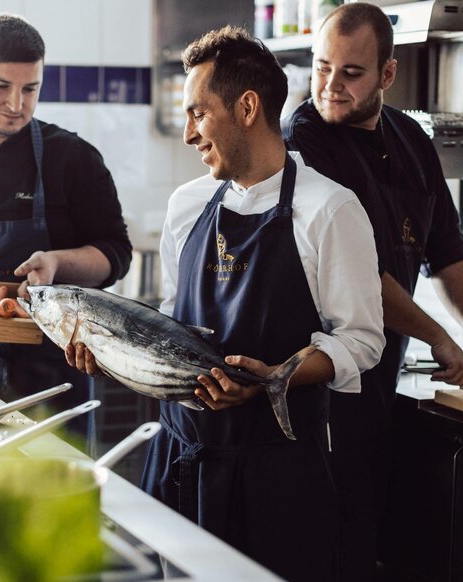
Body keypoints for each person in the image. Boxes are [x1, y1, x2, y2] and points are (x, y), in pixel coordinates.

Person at [69, 25, 385, 581]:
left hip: (278, 477)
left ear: (246, 107)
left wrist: (273, 376)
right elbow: (171, 321)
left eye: (199, 113)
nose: (190, 133)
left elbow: (362, 341)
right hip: (180, 461)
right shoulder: (187, 204)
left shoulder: (331, 209)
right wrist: (115, 355)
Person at [281, 3, 463, 580]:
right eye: (321, 67)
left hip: (384, 380)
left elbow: (446, 253)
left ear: (387, 76)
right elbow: (355, 272)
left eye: (351, 73)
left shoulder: (413, 141)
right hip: (323, 384)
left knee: (378, 548)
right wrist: (439, 336)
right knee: (333, 546)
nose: (330, 85)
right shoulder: (301, 140)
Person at [0, 14, 132, 452]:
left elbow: (116, 254)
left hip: (54, 381)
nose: (17, 104)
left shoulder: (73, 159)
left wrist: (59, 262)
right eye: (0, 86)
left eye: (30, 89)